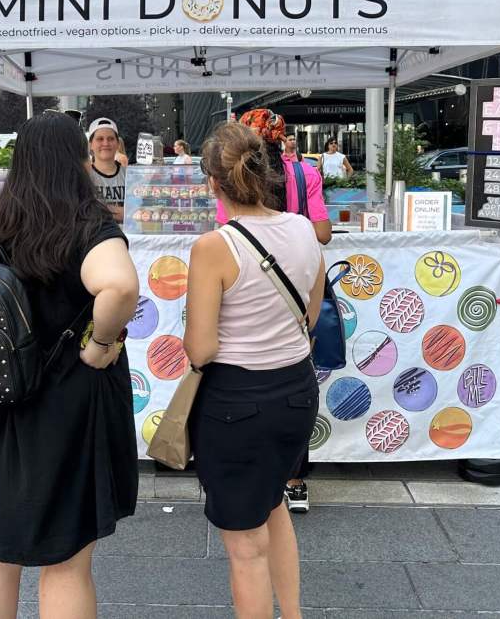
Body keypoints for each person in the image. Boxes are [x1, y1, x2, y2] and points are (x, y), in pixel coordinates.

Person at [0, 112, 139, 618]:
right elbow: (120, 286)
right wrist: (100, 343)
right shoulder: (88, 224)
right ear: (79, 160)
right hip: (68, 403)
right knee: (66, 560)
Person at [183, 121, 324, 619]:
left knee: (245, 548)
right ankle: (293, 613)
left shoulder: (214, 248)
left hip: (235, 404)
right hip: (297, 392)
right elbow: (310, 314)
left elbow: (200, 348)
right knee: (275, 506)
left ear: (212, 183)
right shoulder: (303, 229)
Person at [223, 109, 330, 513]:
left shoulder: (234, 177)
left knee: (246, 383)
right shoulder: (305, 174)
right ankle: (294, 480)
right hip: (294, 292)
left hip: (247, 288)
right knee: (294, 382)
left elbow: (226, 228)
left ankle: (254, 479)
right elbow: (322, 233)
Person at [87, 117, 126, 222]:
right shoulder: (84, 177)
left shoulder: (130, 176)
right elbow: (85, 212)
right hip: (96, 236)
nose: (106, 143)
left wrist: (101, 208)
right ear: (91, 145)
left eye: (111, 139)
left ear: (118, 144)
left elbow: (137, 212)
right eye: (100, 139)